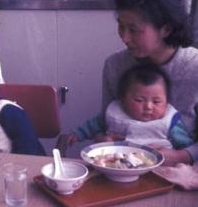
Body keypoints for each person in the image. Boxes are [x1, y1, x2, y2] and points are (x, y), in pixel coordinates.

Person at [102, 0, 198, 166]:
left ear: (166, 29)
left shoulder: (194, 67)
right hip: (124, 167)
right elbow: (105, 122)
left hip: (183, 170)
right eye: (121, 26)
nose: (124, 37)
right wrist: (103, 140)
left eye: (134, 30)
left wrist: (180, 156)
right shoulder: (114, 65)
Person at [57, 63, 194, 153]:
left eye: (157, 101)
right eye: (139, 100)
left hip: (158, 168)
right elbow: (93, 125)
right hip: (115, 163)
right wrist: (77, 135)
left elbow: (184, 145)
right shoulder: (115, 113)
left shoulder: (169, 121)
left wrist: (180, 156)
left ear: (167, 102)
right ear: (123, 99)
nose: (148, 106)